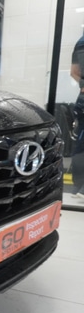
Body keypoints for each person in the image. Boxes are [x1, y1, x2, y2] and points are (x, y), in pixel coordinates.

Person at [70, 31, 84, 198]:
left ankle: (78, 186)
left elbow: (73, 71)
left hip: (82, 99)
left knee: (81, 142)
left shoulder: (80, 41)